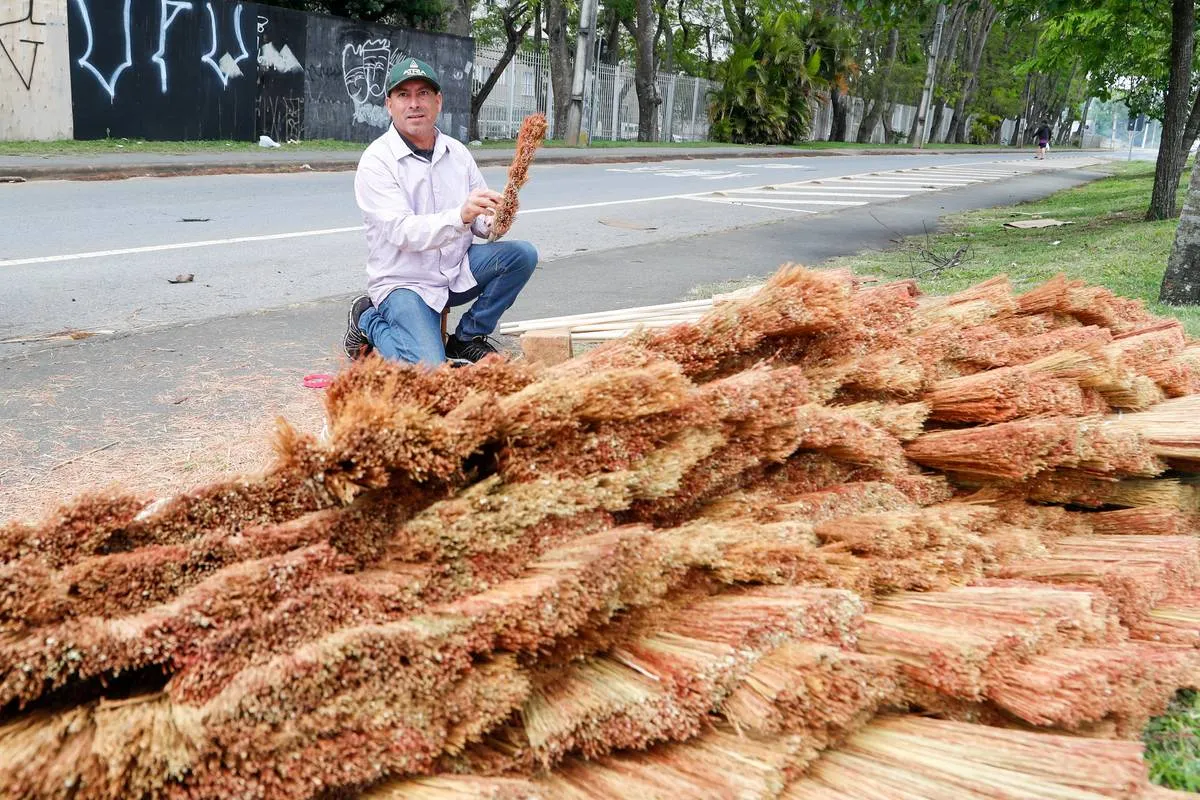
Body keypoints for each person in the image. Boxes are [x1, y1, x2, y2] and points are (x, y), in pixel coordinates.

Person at [342, 57, 538, 366]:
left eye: (423, 94)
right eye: (404, 95)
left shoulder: (457, 153)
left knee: (522, 255)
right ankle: (367, 318)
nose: (414, 103)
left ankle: (465, 339)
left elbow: (480, 224)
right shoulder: (377, 161)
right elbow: (403, 232)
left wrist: (495, 220)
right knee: (427, 369)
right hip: (405, 282)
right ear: (389, 104)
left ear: (438, 101)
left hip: (454, 271)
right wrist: (461, 215)